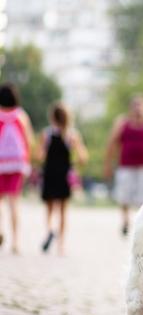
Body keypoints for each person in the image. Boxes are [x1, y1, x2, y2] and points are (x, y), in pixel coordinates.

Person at [103, 95, 143, 236]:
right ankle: (125, 221)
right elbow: (111, 143)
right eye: (135, 106)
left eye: (141, 106)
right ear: (130, 108)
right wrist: (107, 164)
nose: (138, 109)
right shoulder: (122, 122)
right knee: (124, 195)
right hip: (125, 166)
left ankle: (141, 221)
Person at [38, 102, 88, 255]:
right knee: (63, 211)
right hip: (64, 175)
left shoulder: (46, 134)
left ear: (52, 117)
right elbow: (83, 158)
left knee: (50, 208)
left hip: (49, 174)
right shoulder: (72, 135)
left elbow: (39, 156)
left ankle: (50, 230)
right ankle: (61, 245)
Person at [0, 83, 35, 255]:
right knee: (14, 202)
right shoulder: (21, 115)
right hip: (17, 163)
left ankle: (0, 230)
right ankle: (15, 241)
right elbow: (28, 140)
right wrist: (27, 161)